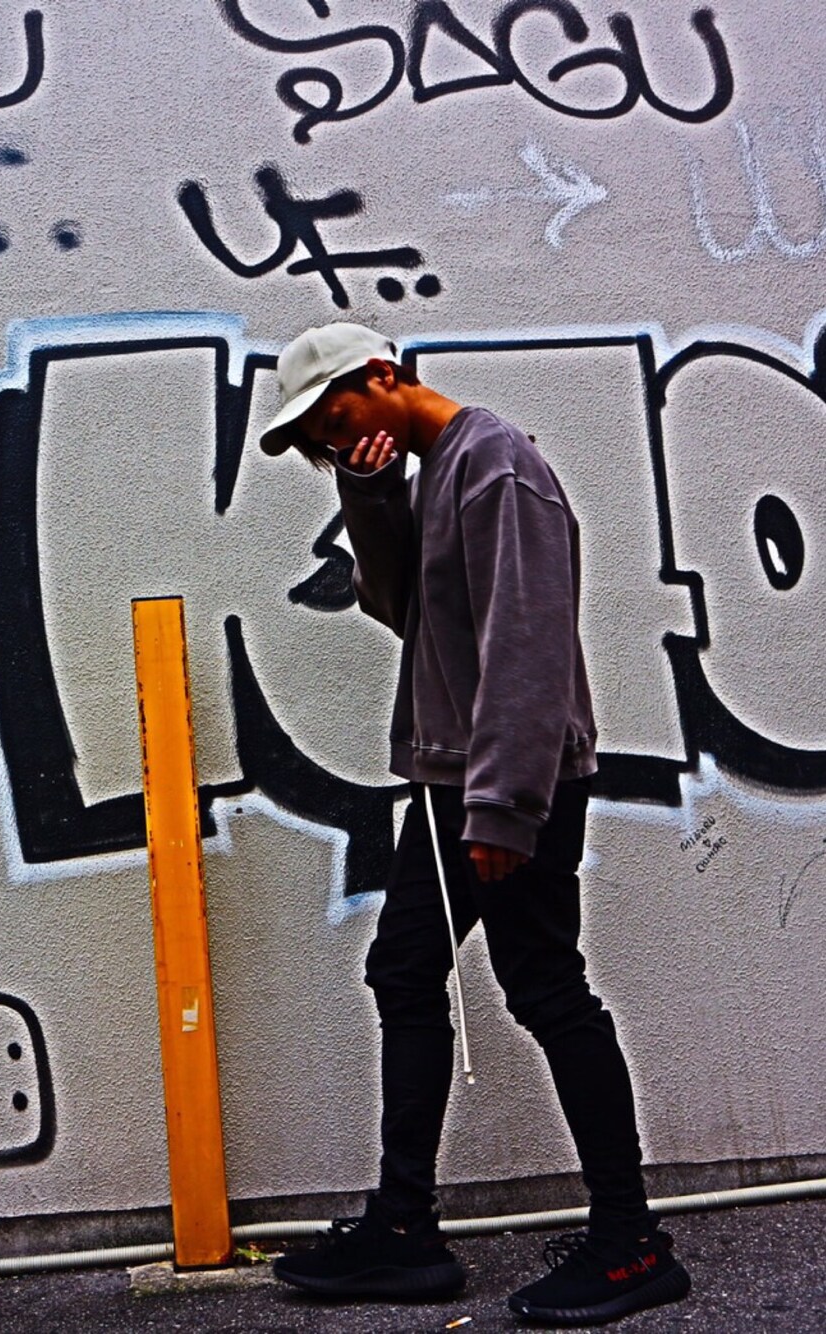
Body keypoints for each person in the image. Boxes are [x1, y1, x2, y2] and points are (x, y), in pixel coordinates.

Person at [258, 322, 691, 1325]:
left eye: (332, 418)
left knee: (545, 985)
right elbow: (402, 609)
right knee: (406, 968)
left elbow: (527, 646)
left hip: (508, 782)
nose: (328, 439)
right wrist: (369, 496)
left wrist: (503, 802)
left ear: (382, 376)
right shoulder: (431, 472)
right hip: (460, 777)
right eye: (316, 438)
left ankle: (630, 1242)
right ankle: (405, 1230)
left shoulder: (496, 466)